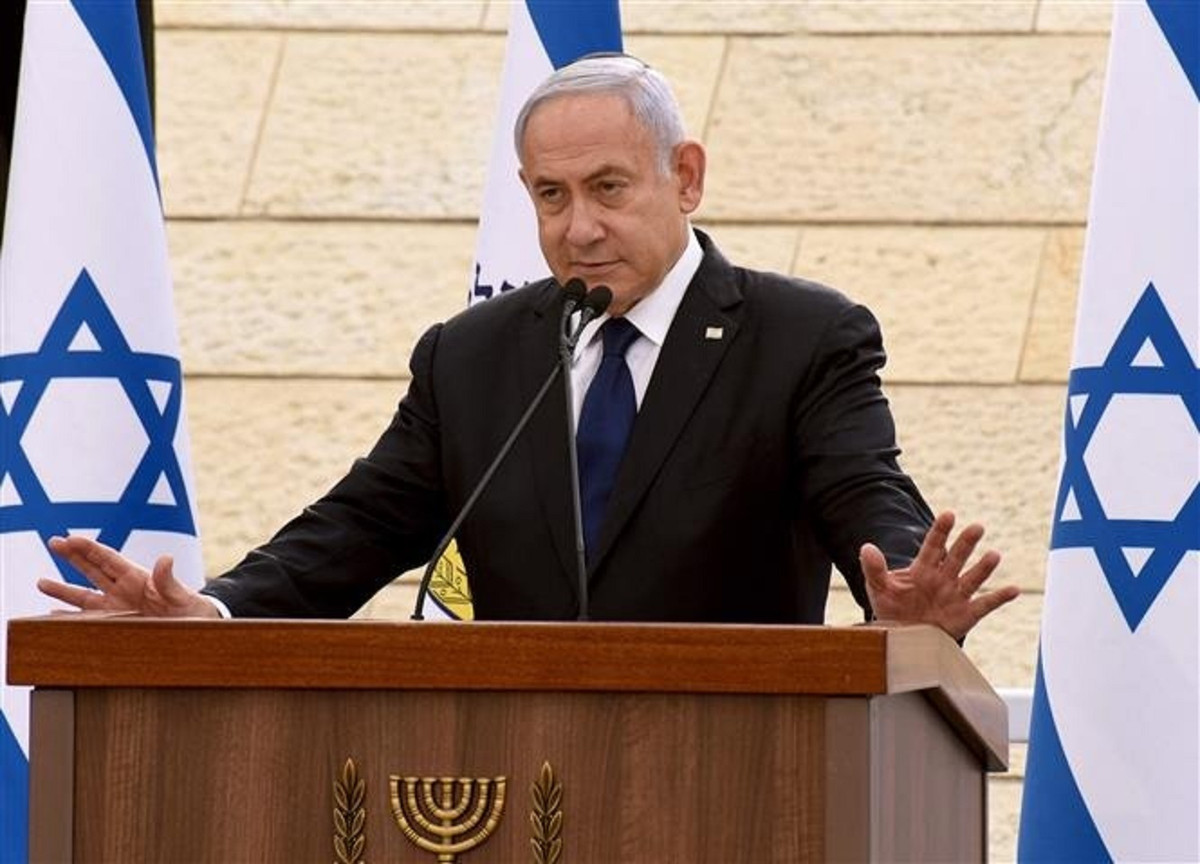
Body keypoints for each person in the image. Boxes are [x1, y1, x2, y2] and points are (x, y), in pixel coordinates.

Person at [41, 54, 1018, 640]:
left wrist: (908, 604)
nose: (578, 227)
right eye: (552, 196)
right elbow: (356, 528)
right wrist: (211, 617)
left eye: (608, 188)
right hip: (512, 782)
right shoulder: (473, 358)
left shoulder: (802, 340)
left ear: (685, 177)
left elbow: (868, 498)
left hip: (736, 775)